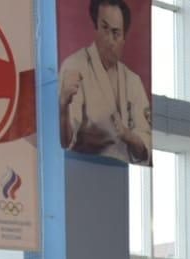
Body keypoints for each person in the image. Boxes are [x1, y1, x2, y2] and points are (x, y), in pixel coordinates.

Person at [58, 0, 152, 164]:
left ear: (124, 38)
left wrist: (128, 135)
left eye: (116, 33)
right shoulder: (75, 66)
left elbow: (145, 147)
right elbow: (65, 142)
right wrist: (63, 106)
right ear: (96, 28)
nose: (109, 39)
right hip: (82, 166)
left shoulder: (133, 81)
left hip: (123, 171)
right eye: (104, 29)